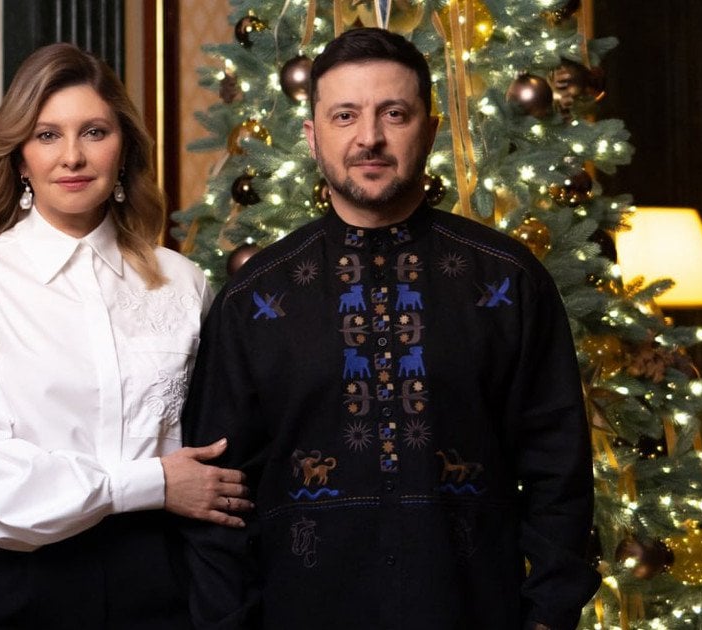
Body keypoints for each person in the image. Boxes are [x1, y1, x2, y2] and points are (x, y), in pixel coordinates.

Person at [181, 28, 599, 629]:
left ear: (430, 131)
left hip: (472, 612)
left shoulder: (508, 280)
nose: (369, 138)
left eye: (394, 114)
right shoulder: (254, 297)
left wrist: (546, 619)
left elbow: (559, 475)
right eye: (345, 115)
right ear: (313, 137)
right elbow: (218, 497)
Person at [0, 43, 251, 629]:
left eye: (94, 132)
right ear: (20, 158)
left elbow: (215, 440)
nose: (72, 156)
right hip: (20, 586)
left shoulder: (183, 282)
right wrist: (152, 482)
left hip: (165, 579)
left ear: (123, 150)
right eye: (47, 135)